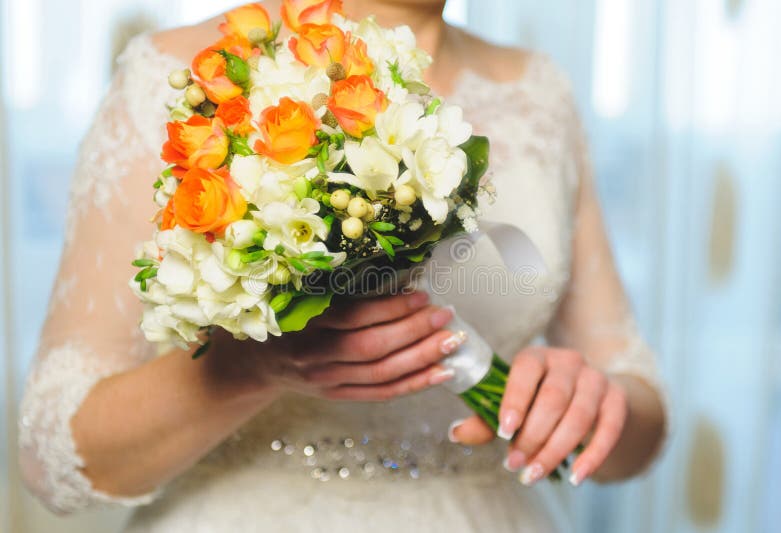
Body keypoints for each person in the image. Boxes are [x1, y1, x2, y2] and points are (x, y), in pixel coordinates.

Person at [18, 1, 667, 531]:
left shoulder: (537, 93)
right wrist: (251, 364)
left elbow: (639, 406)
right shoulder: (180, 77)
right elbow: (51, 450)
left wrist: (586, 403)